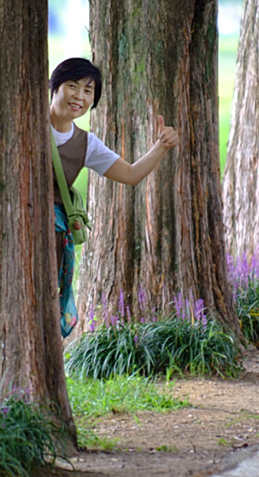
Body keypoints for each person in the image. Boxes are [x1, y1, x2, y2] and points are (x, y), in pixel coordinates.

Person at [49, 57, 179, 337]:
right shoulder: (26, 125)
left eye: (88, 91)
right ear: (55, 87)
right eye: (72, 86)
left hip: (52, 239)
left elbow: (131, 174)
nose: (79, 97)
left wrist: (161, 147)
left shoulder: (86, 143)